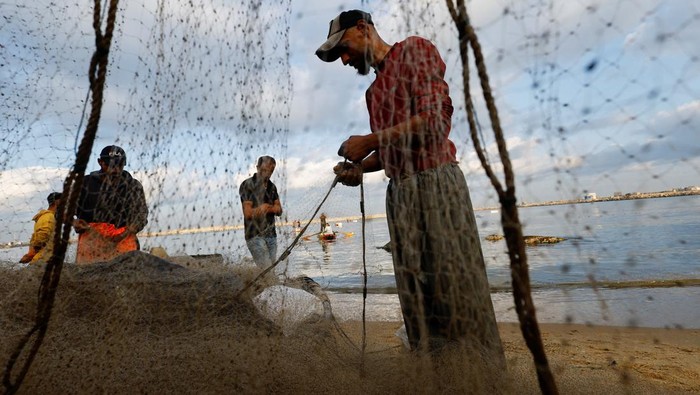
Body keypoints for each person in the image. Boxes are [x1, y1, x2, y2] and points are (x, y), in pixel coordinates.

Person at [316, 10, 505, 361]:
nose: (343, 60)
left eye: (343, 47)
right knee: (416, 293)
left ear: (363, 28)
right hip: (399, 193)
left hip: (437, 183)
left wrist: (370, 140)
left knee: (456, 286)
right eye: (338, 56)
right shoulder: (373, 95)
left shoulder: (415, 52)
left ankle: (481, 369)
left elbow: (434, 123)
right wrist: (358, 169)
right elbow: (390, 155)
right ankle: (434, 370)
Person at [73, 145, 148, 264]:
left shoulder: (133, 186)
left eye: (119, 165)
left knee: (125, 277)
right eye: (110, 165)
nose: (115, 170)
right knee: (89, 277)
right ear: (100, 162)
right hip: (91, 241)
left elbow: (142, 216)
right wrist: (75, 222)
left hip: (124, 240)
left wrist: (125, 233)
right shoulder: (84, 183)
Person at [239, 156, 283, 269]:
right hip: (254, 236)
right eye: (264, 170)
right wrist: (269, 208)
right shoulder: (247, 185)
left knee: (271, 270)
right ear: (257, 167)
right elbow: (248, 213)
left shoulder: (272, 187)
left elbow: (279, 210)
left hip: (271, 236)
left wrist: (266, 207)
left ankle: (264, 286)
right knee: (266, 270)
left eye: (271, 171)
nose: (267, 173)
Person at [20, 192, 62, 265]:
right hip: (43, 262)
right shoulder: (49, 217)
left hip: (42, 261)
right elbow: (42, 235)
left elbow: (36, 239)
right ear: (56, 202)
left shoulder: (47, 217)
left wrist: (31, 254)